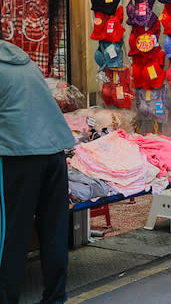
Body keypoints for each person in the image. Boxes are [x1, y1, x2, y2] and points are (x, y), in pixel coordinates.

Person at [0, 40, 76, 303]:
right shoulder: (23, 61)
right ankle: (55, 298)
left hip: (19, 157)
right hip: (54, 154)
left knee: (11, 235)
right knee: (53, 232)